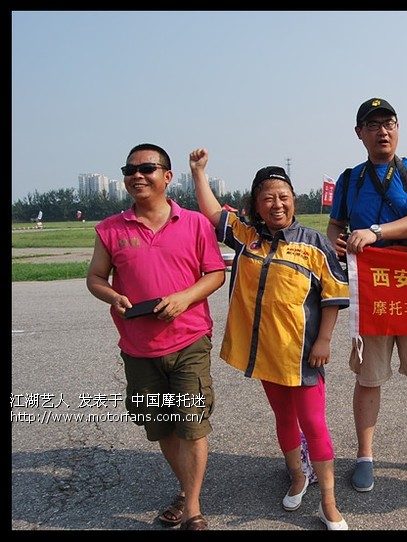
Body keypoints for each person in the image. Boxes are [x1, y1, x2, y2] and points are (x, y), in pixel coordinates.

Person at [189, 148, 350, 530]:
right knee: (283, 419)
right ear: (256, 206)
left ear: (293, 200)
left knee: (314, 424)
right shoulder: (246, 237)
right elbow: (213, 213)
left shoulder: (313, 242)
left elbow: (334, 294)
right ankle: (297, 475)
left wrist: (324, 341)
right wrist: (198, 173)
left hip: (304, 355)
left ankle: (328, 499)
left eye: (283, 197)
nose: (277, 204)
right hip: (265, 355)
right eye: (267, 198)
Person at [86, 143, 226, 531]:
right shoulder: (110, 229)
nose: (137, 176)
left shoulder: (195, 223)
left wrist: (184, 298)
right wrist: (112, 295)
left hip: (189, 340)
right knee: (163, 425)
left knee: (192, 423)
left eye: (148, 168)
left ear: (167, 176)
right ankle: (185, 490)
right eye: (130, 170)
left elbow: (215, 273)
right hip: (138, 347)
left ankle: (193, 508)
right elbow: (95, 278)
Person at [326, 97, 407, 493]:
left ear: (398, 128)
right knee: (369, 375)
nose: (383, 131)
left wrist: (376, 232)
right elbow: (335, 226)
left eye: (389, 123)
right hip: (372, 287)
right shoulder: (350, 179)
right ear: (359, 133)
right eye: (373, 125)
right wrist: (339, 243)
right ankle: (365, 455)